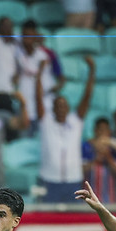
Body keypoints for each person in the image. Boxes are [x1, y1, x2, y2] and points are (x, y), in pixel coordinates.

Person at [36, 55, 95, 202]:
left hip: (73, 180)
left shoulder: (76, 121)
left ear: (68, 108)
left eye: (64, 105)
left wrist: (92, 71)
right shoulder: (46, 122)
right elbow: (37, 97)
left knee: (73, 220)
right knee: (48, 219)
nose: (61, 108)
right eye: (58, 105)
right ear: (53, 108)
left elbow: (87, 96)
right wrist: (39, 73)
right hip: (49, 179)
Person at [83, 117, 116, 203]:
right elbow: (81, 170)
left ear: (109, 132)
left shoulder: (114, 148)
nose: (102, 133)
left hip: (109, 200)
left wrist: (108, 157)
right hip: (89, 200)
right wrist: (95, 160)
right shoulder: (87, 146)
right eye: (100, 130)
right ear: (95, 130)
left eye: (105, 130)